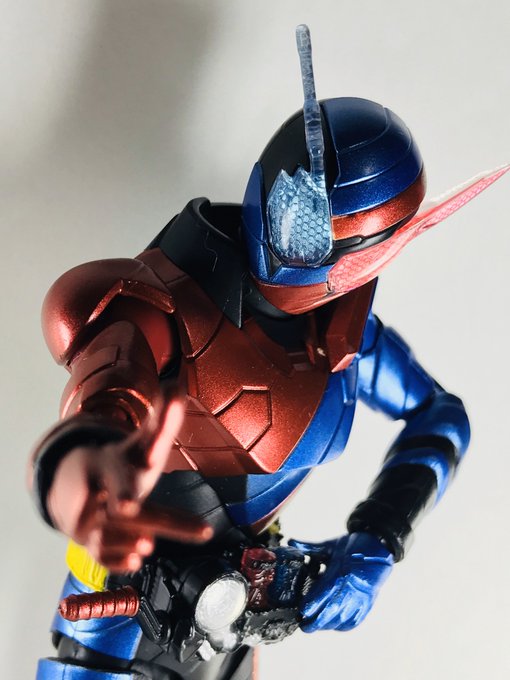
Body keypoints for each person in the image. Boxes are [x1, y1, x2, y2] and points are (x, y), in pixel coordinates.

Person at [29, 25, 506, 680]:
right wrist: (81, 474)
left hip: (233, 632)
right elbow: (107, 397)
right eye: (295, 202)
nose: (292, 232)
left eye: (316, 225)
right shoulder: (160, 303)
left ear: (375, 250)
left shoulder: (346, 343)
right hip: (116, 625)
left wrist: (378, 537)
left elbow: (440, 417)